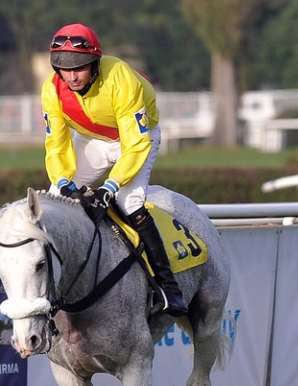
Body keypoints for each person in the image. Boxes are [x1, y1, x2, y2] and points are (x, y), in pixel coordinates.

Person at [41, 23, 188, 317]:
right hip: (97, 140)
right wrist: (63, 181)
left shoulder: (120, 78)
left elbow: (134, 144)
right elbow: (56, 146)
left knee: (128, 201)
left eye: (79, 67)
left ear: (95, 62)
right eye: (63, 68)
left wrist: (110, 187)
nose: (71, 76)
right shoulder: (52, 90)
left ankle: (168, 288)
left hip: (136, 138)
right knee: (55, 196)